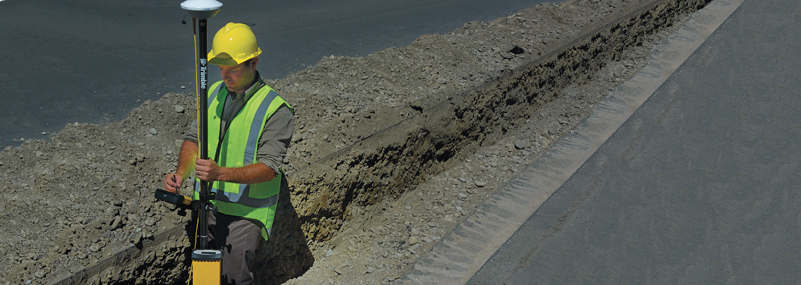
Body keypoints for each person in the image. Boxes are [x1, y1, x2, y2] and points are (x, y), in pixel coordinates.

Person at [163, 22, 294, 285]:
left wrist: (220, 173)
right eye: (221, 69)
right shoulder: (212, 94)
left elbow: (269, 168)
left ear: (253, 63)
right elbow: (194, 139)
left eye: (232, 69)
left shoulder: (275, 109)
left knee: (235, 277)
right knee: (206, 275)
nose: (225, 76)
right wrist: (180, 174)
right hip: (209, 205)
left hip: (246, 213)